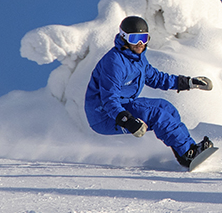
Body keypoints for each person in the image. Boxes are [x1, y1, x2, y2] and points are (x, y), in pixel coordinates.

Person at [85, 15, 214, 169]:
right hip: (104, 114)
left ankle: (186, 152)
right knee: (156, 115)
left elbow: (157, 78)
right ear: (124, 38)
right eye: (135, 38)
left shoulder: (138, 59)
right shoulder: (115, 62)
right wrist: (127, 120)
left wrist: (188, 82)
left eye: (144, 38)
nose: (140, 43)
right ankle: (187, 152)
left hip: (123, 104)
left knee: (166, 108)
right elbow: (109, 99)